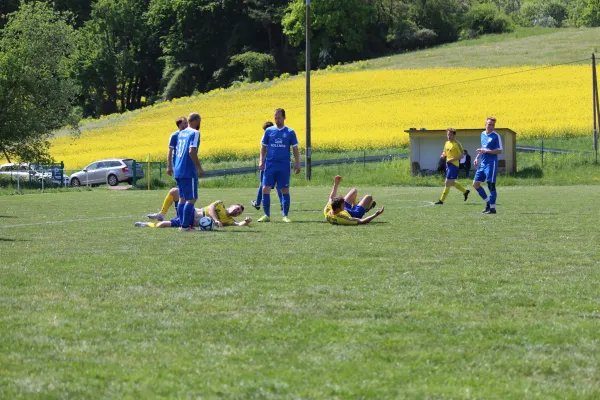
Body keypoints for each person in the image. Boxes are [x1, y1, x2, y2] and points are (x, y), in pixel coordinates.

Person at [257, 108, 301, 223]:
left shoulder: (290, 132)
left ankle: (285, 215)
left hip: (284, 166)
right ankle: (266, 215)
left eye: (279, 118)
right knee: (265, 188)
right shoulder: (269, 131)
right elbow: (263, 147)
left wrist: (297, 164)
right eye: (275, 118)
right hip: (270, 165)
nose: (277, 120)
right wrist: (261, 161)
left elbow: (295, 149)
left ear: (284, 118)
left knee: (284, 189)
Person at [174, 112, 204, 230]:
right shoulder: (195, 132)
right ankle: (185, 226)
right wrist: (198, 167)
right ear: (197, 121)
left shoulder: (181, 133)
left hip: (178, 169)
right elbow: (192, 151)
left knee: (182, 198)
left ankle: (182, 224)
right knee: (192, 198)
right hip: (187, 169)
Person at [136, 201, 251, 229]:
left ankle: (146, 224)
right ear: (231, 206)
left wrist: (246, 221)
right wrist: (216, 220)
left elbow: (238, 224)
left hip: (192, 222)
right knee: (175, 192)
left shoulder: (229, 220)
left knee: (162, 225)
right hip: (192, 211)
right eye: (237, 209)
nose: (237, 212)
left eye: (239, 212)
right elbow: (210, 208)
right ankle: (161, 213)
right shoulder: (220, 204)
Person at [473, 116, 503, 214]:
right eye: (489, 124)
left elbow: (499, 151)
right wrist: (477, 157)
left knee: (491, 185)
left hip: (491, 163)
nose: (491, 126)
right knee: (475, 184)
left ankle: (493, 208)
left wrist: (487, 151)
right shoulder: (482, 134)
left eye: (493, 125)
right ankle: (488, 203)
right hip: (483, 162)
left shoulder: (496, 136)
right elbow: (483, 148)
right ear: (485, 124)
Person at [251, 121, 283, 211]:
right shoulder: (277, 136)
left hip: (267, 163)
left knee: (263, 184)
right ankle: (282, 203)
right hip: (277, 163)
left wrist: (261, 162)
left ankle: (257, 203)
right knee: (278, 184)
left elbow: (264, 150)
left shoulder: (265, 137)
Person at [434, 128, 470, 205]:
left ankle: (441, 200)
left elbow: (462, 155)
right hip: (448, 165)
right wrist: (443, 155)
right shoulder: (446, 143)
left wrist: (452, 160)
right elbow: (445, 152)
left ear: (454, 135)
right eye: (448, 134)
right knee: (452, 182)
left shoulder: (457, 144)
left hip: (454, 165)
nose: (449, 136)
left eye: (450, 134)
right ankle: (465, 191)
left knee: (447, 182)